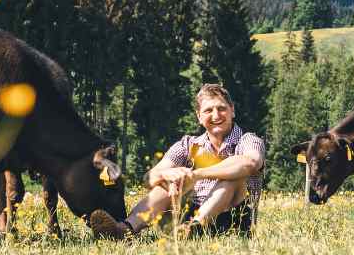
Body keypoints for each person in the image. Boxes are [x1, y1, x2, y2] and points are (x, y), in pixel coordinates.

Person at [90, 83, 265, 239]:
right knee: (163, 184)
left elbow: (250, 163)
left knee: (232, 178)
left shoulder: (248, 140)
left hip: (235, 219)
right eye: (208, 110)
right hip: (190, 214)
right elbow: (148, 178)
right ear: (199, 116)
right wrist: (169, 175)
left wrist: (196, 174)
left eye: (221, 108)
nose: (216, 115)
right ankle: (123, 230)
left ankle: (195, 228)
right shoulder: (188, 144)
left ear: (232, 110)